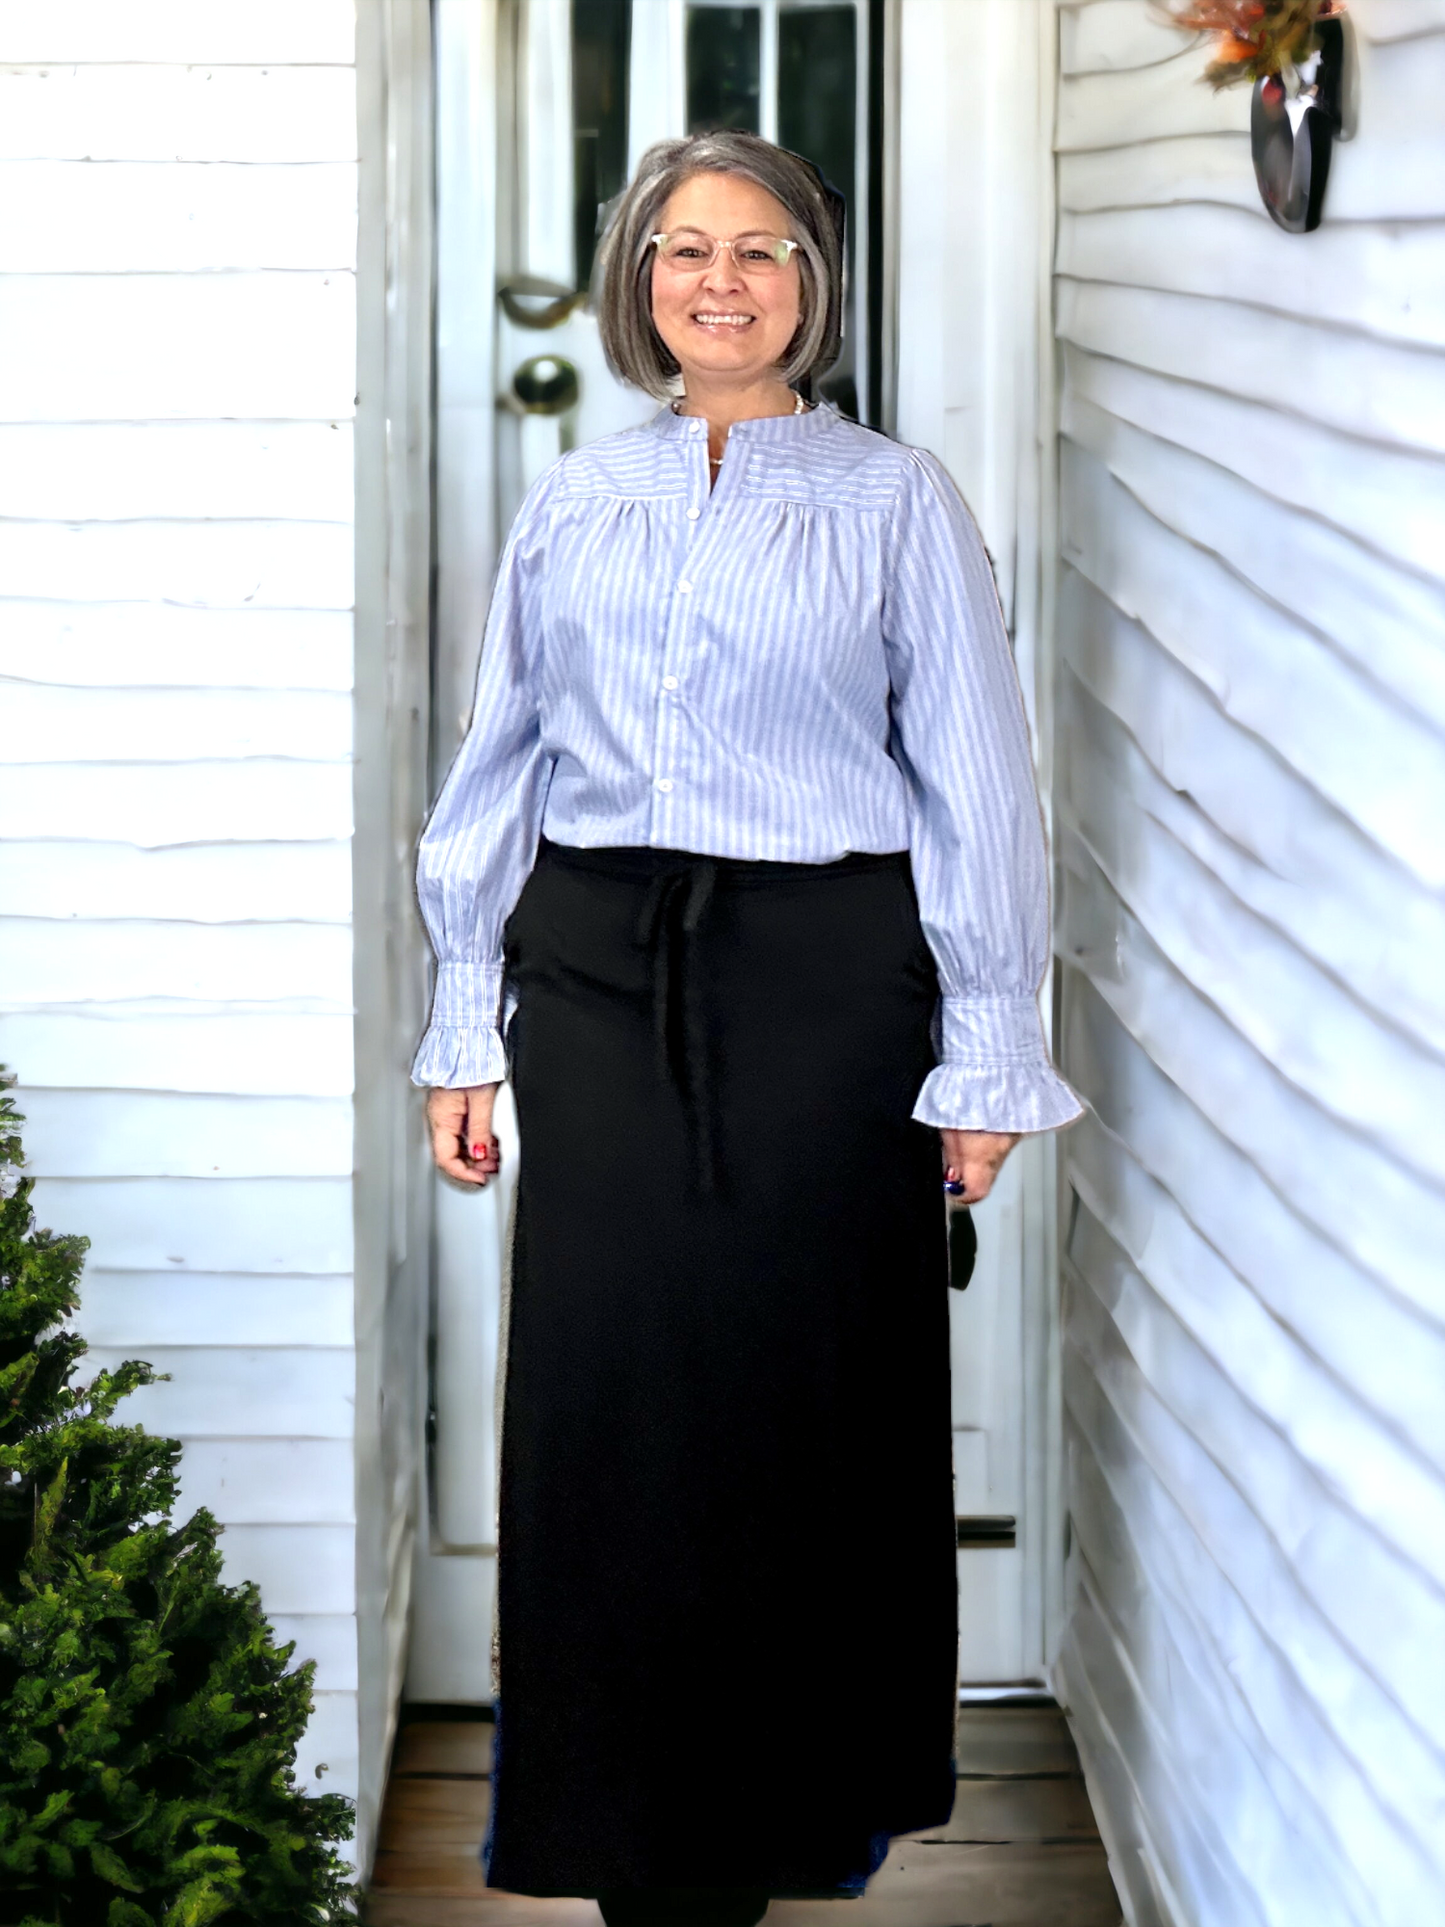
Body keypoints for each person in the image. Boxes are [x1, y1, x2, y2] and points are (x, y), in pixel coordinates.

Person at [411, 130, 1081, 1927]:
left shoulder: (897, 501)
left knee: (802, 1398)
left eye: (763, 250)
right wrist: (461, 1019)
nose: (722, 279)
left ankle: (799, 1812)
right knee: (611, 1397)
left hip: (828, 986)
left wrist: (988, 1056)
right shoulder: (571, 501)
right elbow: (500, 763)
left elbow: (980, 793)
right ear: (639, 277)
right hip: (603, 974)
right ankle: (631, 1841)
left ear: (816, 285)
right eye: (684, 247)